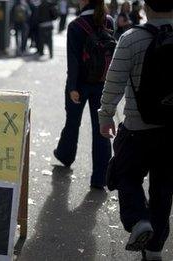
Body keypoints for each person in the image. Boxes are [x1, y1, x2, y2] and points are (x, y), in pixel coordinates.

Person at [99, 1, 173, 259]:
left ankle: (139, 219)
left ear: (146, 7)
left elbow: (114, 81)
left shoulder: (131, 38)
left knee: (124, 173)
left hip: (137, 128)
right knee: (163, 189)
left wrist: (105, 116)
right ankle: (154, 250)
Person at [54, 0, 114, 189]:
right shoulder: (109, 21)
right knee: (101, 129)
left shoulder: (75, 25)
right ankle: (100, 177)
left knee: (72, 123)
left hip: (79, 84)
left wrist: (72, 87)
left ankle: (65, 156)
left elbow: (73, 60)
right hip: (102, 83)